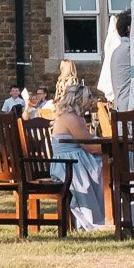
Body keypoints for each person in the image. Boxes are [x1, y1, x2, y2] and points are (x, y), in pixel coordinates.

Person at [51, 80, 108, 230]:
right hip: (68, 164)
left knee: (111, 162)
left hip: (76, 159)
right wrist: (113, 147)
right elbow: (91, 147)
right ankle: (109, 213)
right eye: (89, 97)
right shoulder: (71, 118)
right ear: (79, 100)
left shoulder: (76, 117)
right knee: (108, 165)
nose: (92, 101)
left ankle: (120, 209)